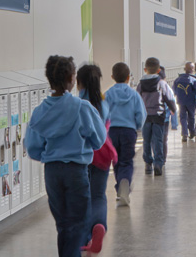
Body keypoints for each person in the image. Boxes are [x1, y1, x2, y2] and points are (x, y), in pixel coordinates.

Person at [26, 55, 106, 257]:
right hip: (76, 171)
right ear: (72, 78)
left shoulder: (39, 112)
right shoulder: (82, 108)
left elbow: (33, 148)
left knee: (63, 224)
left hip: (52, 172)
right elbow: (98, 140)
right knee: (78, 225)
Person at [76, 63, 116, 254]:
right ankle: (99, 225)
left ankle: (84, 238)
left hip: (81, 156)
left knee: (83, 197)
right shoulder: (103, 104)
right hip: (101, 154)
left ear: (78, 83)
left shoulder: (76, 104)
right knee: (98, 195)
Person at [104, 62, 145, 206]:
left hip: (112, 132)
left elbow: (103, 114)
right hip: (129, 131)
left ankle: (119, 186)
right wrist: (138, 126)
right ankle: (125, 183)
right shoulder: (134, 95)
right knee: (126, 160)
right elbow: (140, 114)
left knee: (116, 160)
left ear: (112, 77)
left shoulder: (108, 94)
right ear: (128, 78)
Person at [136, 58, 177, 176]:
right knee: (158, 140)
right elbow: (168, 98)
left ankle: (148, 164)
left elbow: (137, 99)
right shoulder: (161, 83)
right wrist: (173, 109)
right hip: (158, 116)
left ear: (145, 69)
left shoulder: (140, 84)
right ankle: (158, 164)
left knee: (146, 140)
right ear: (159, 70)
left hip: (146, 117)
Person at [173, 62, 196, 141]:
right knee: (191, 117)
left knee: (182, 117)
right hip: (191, 102)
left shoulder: (177, 80)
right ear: (193, 70)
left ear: (184, 69)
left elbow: (174, 91)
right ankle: (192, 131)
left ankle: (184, 134)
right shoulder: (193, 80)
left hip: (181, 102)